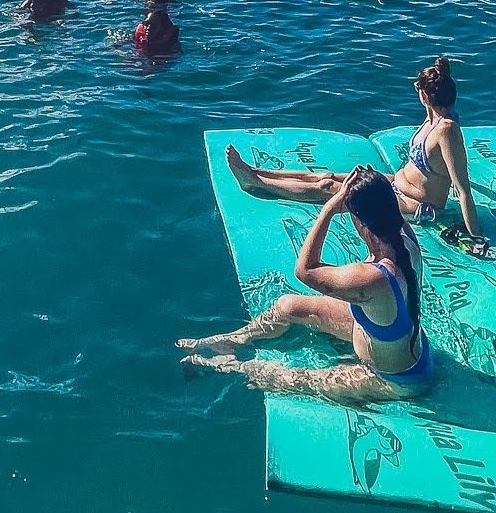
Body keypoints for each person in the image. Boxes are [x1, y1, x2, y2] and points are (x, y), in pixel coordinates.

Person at [179, 167, 435, 400]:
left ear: (359, 220)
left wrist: (329, 209)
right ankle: (235, 339)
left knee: (275, 376)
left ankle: (227, 365)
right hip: (397, 343)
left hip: (396, 379)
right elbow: (380, 199)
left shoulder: (373, 278)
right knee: (288, 306)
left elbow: (305, 270)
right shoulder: (403, 235)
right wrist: (367, 186)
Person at [223, 57, 492, 256]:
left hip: (417, 205)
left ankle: (257, 182)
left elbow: (462, 188)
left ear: (424, 95)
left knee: (329, 188)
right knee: (328, 176)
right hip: (397, 184)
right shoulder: (433, 116)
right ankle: (255, 171)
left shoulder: (447, 130)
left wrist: (476, 236)